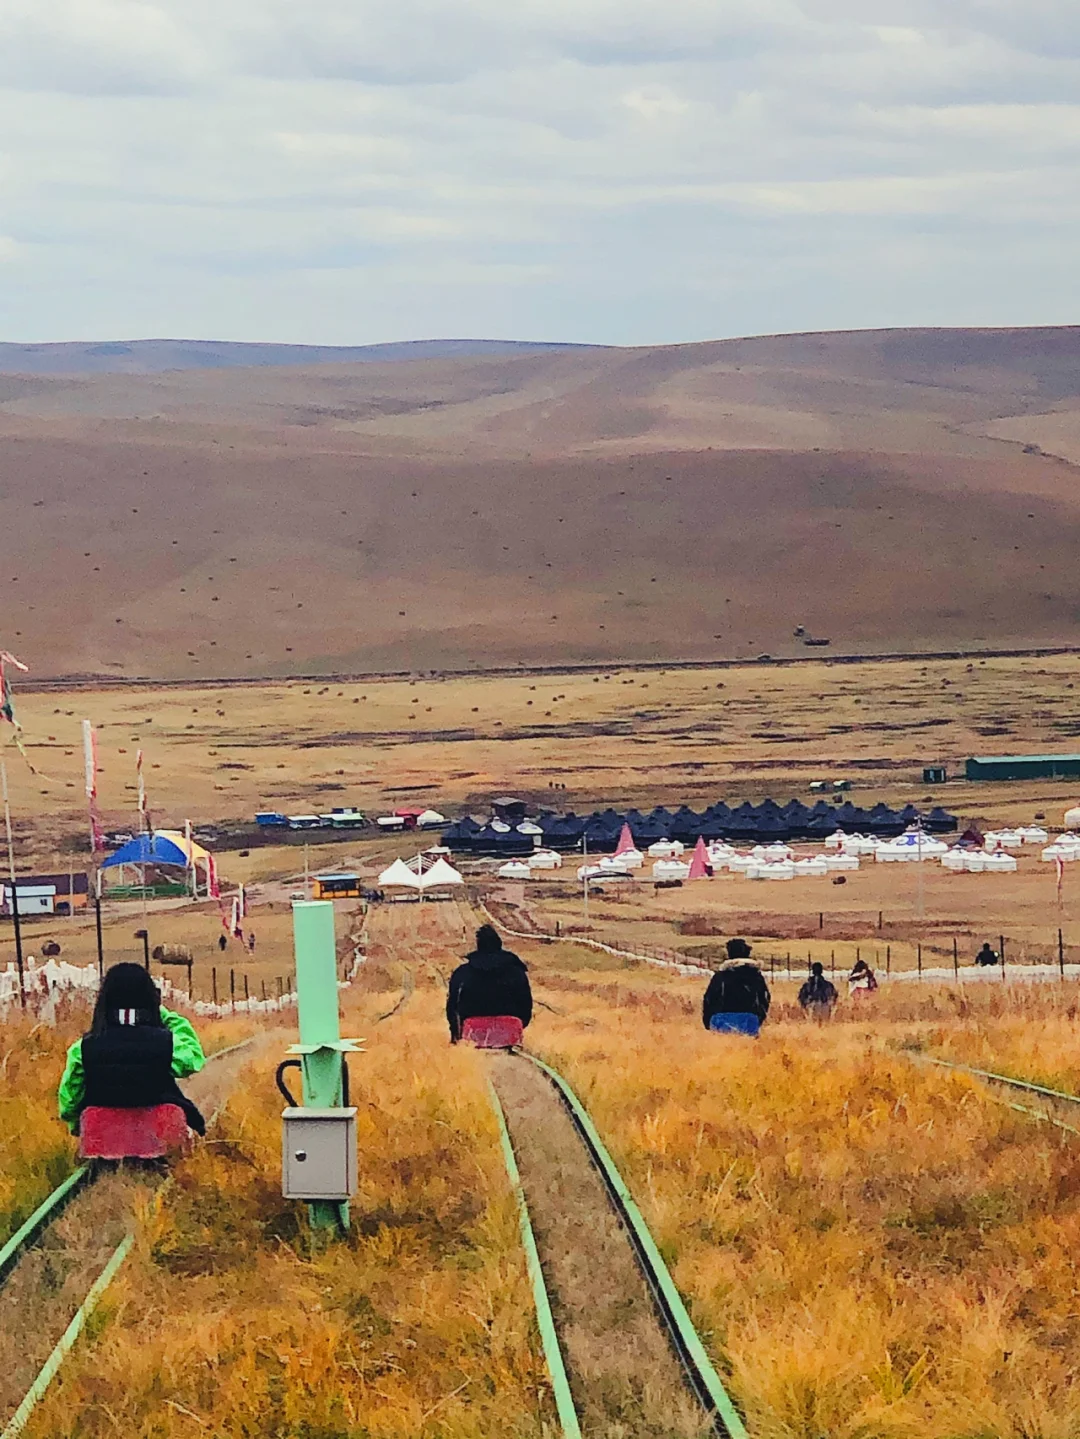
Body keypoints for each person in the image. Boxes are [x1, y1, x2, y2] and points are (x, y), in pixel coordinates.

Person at [58, 963, 207, 1135]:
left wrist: (76, 1125)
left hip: (104, 1137)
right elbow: (193, 1059)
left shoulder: (83, 1048)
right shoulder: (167, 1044)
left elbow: (69, 1102)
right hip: (156, 1137)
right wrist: (165, 1016)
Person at [447, 925, 533, 1043]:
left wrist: (455, 1035)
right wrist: (519, 1024)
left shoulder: (462, 972)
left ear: (478, 946)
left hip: (473, 1031)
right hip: (510, 1029)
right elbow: (526, 1004)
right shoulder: (517, 972)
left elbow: (452, 1006)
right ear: (499, 945)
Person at [702, 939, 771, 1036]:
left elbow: (709, 999)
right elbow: (765, 998)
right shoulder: (756, 976)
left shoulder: (721, 976)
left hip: (721, 1020)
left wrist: (708, 1021)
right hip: (749, 1020)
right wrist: (758, 1018)